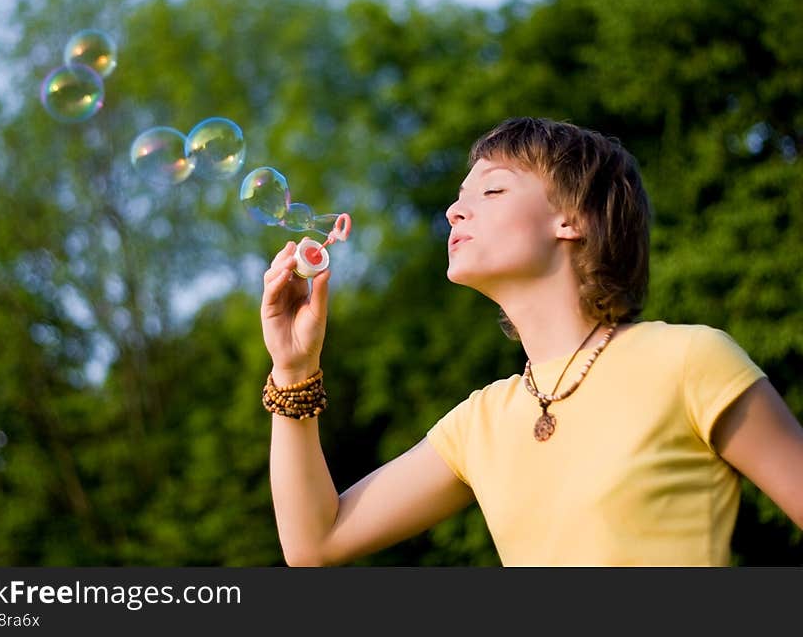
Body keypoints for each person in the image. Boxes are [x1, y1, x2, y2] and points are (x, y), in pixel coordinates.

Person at [259, 116, 803, 566]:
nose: (454, 211)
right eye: (457, 198)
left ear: (571, 220)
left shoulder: (688, 361)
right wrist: (293, 368)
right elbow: (314, 543)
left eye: (492, 189)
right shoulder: (481, 423)